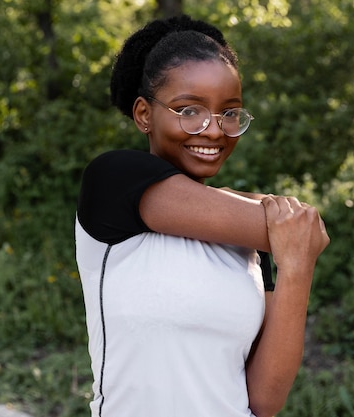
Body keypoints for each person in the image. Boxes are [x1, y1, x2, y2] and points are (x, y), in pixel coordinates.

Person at [75, 14, 330, 417]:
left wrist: (296, 269)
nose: (214, 130)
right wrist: (291, 231)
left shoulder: (249, 246)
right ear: (143, 114)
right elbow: (301, 226)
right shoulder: (114, 181)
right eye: (188, 110)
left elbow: (263, 401)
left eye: (230, 113)